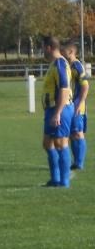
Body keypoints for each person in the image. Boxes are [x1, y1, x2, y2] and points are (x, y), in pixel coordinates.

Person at [41, 35, 74, 187]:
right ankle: (55, 179)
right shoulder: (54, 64)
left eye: (43, 47)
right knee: (47, 143)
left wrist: (58, 112)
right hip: (52, 109)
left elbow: (64, 89)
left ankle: (64, 181)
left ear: (49, 48)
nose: (42, 51)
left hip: (60, 108)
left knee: (60, 143)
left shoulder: (60, 64)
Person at [63, 38, 89, 170]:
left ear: (71, 52)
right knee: (73, 134)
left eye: (64, 51)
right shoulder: (69, 66)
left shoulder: (77, 66)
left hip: (78, 105)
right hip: (71, 104)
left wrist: (80, 103)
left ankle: (79, 162)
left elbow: (85, 86)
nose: (62, 53)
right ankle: (76, 162)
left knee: (78, 133)